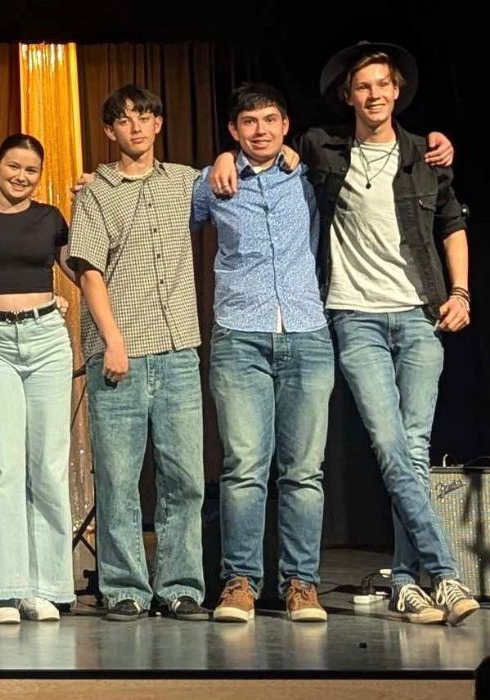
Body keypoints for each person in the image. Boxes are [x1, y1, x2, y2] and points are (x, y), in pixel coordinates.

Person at [208, 42, 479, 627]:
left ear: (397, 91)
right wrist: (220, 160)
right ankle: (444, 575)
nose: (375, 94)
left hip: (417, 315)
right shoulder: (321, 151)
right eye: (364, 87)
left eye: (384, 84)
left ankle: (407, 582)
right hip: (350, 317)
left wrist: (460, 292)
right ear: (347, 96)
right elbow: (238, 157)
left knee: (408, 452)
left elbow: (452, 220)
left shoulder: (423, 155)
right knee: (380, 448)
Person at [191, 83, 333, 623]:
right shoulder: (213, 181)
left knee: (303, 471)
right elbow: (157, 212)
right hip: (240, 335)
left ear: (285, 124)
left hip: (306, 332)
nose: (261, 130)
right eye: (249, 122)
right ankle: (240, 583)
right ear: (234, 130)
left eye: (270, 120)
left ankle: (302, 583)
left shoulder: (310, 173)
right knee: (245, 467)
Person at [67, 85, 209, 622]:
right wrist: (114, 341)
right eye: (125, 120)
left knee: (184, 478)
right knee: (120, 478)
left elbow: (232, 176)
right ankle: (125, 587)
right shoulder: (98, 191)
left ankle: (180, 587)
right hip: (120, 356)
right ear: (110, 131)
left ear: (158, 124)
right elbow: (88, 270)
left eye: (146, 117)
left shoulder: (183, 182)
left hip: (177, 352)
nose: (137, 127)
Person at [0, 133, 77, 624]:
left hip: (46, 338)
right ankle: (5, 590)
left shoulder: (51, 218)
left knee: (47, 464)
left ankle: (47, 587)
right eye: (13, 166)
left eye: (31, 170)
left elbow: (78, 266)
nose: (21, 176)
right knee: (2, 463)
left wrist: (90, 200)